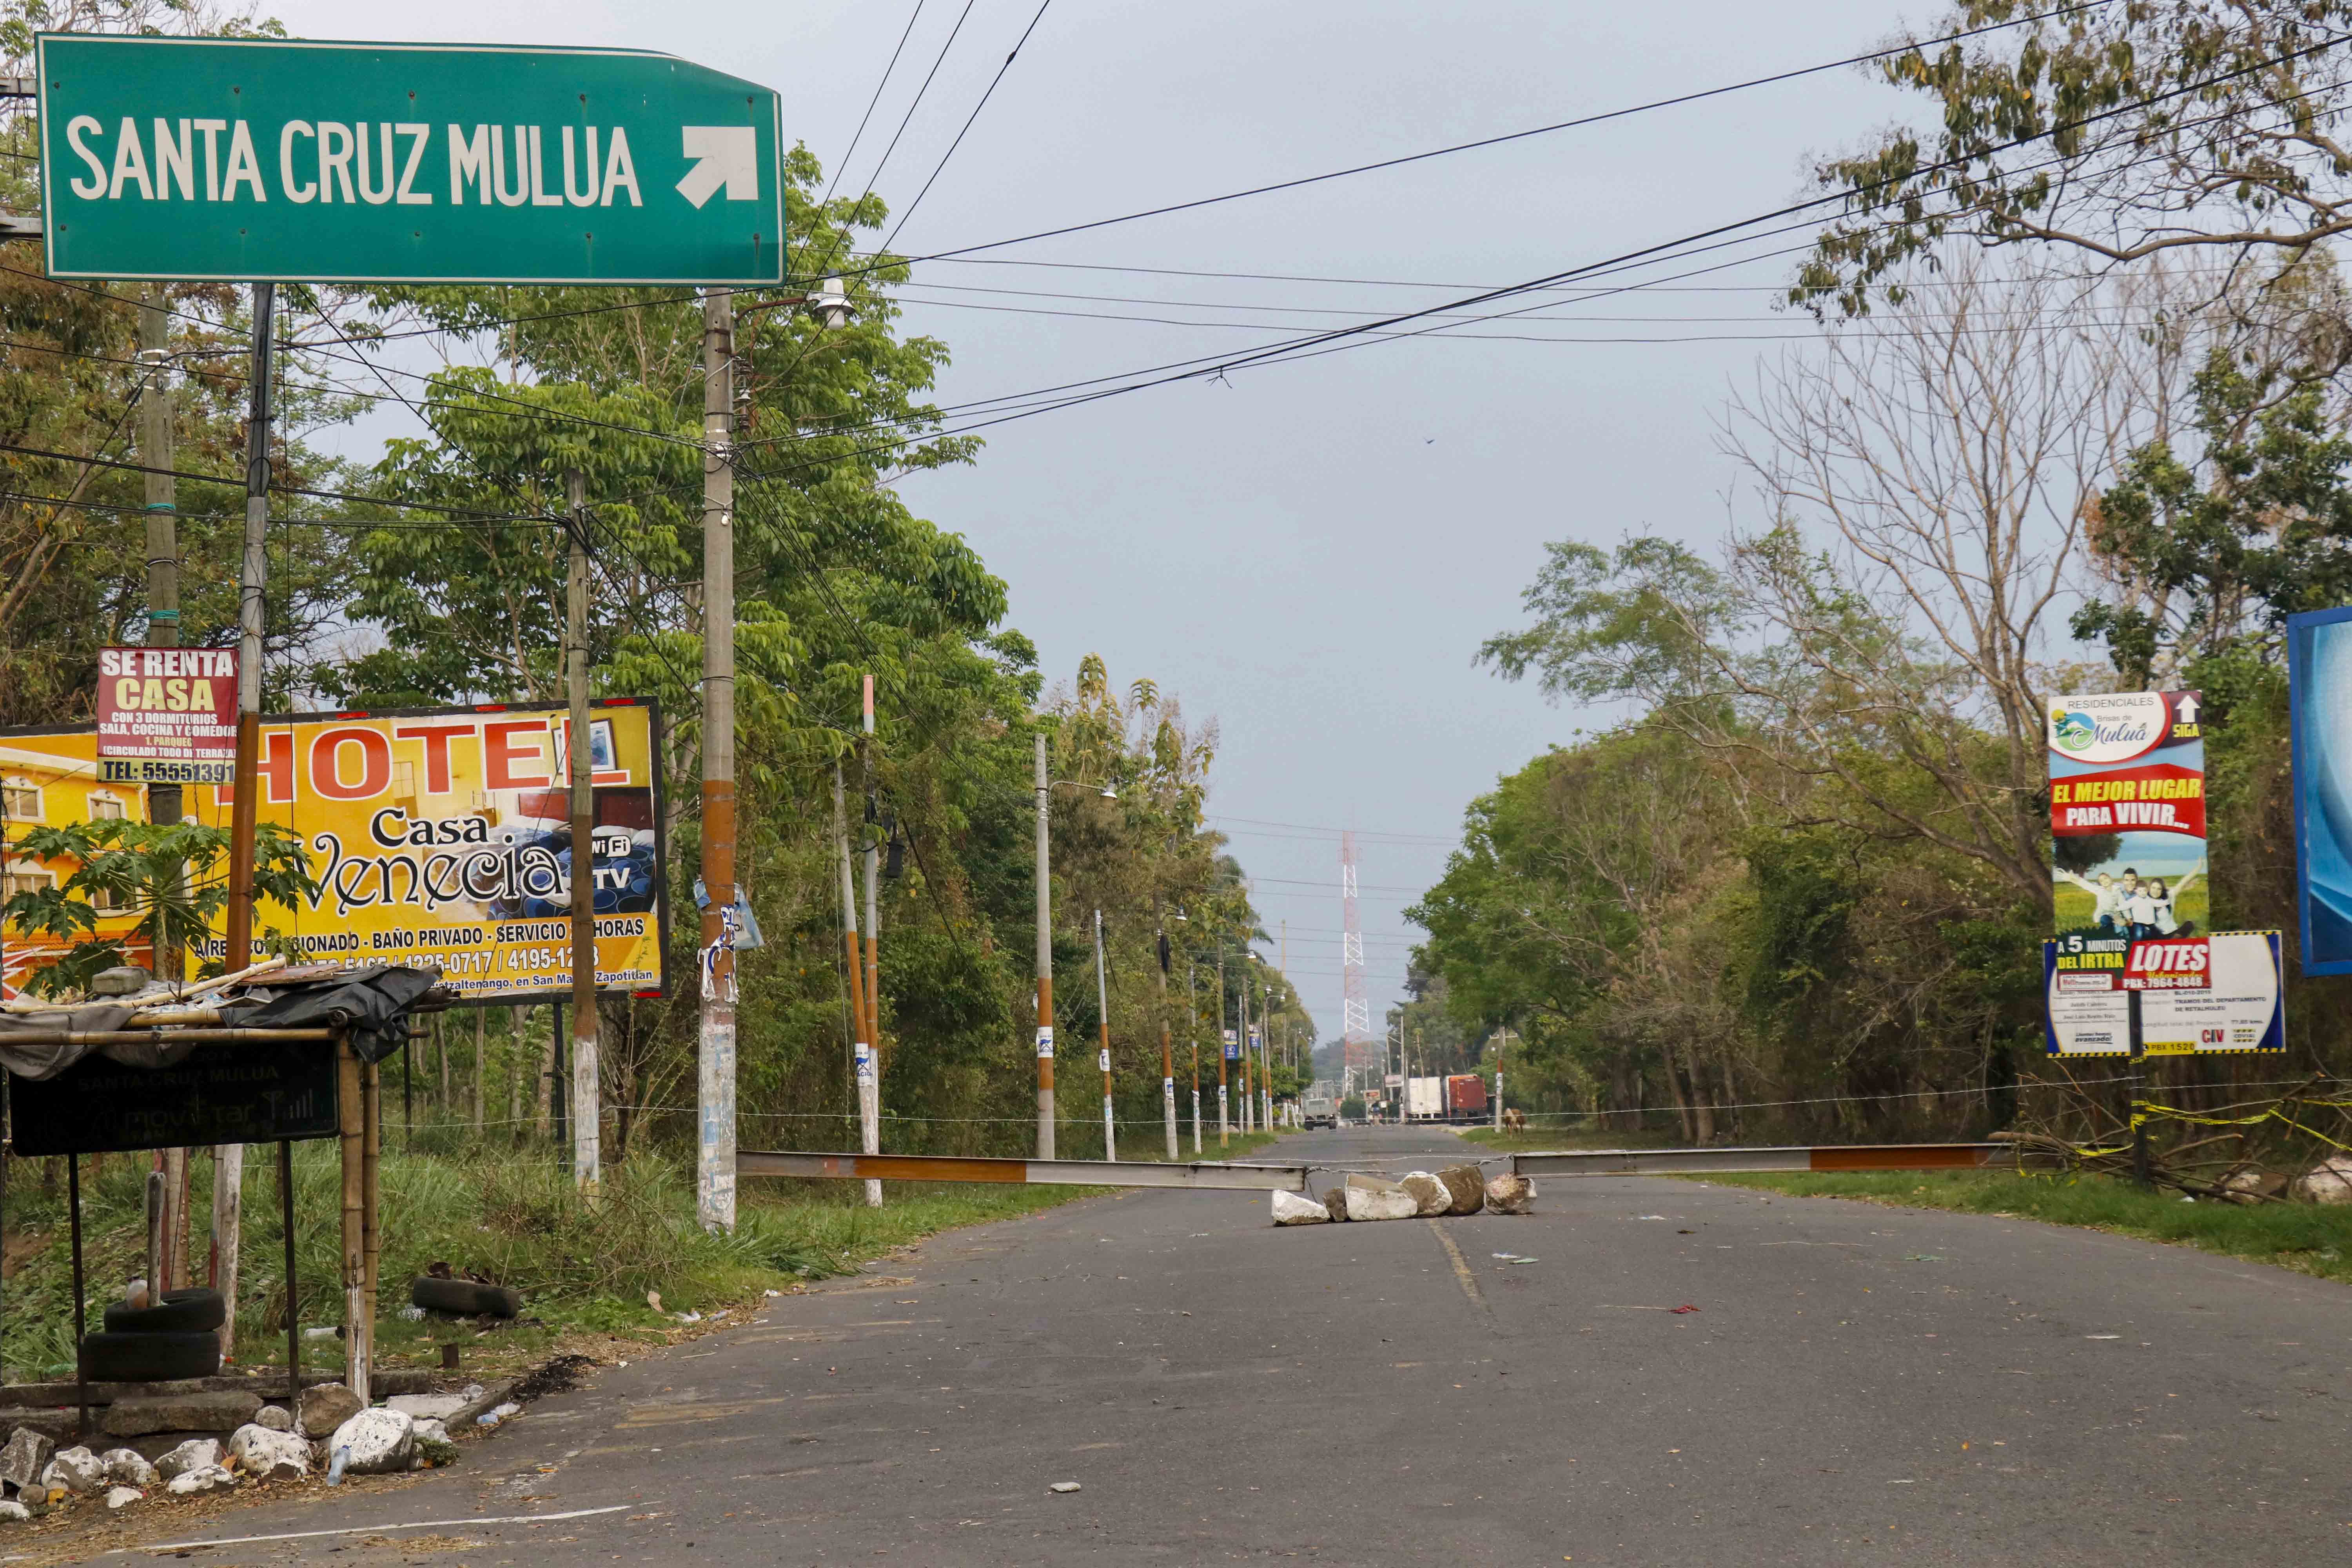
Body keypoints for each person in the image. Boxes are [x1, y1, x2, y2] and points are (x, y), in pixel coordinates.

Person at [2054, 867, 2126, 933]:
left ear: (2110, 879)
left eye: (2106, 878)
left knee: (2122, 930)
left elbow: (2123, 901)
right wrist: (2072, 879)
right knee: (2105, 921)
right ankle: (2106, 934)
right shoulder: (2100, 890)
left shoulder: (2117, 889)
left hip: (2116, 915)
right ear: (2100, 884)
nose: (2104, 881)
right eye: (2101, 881)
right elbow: (2086, 885)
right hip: (2105, 915)